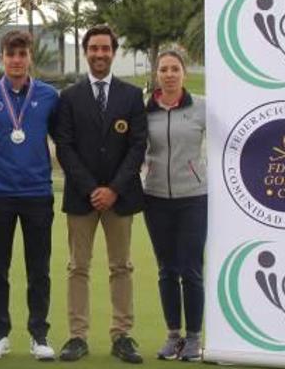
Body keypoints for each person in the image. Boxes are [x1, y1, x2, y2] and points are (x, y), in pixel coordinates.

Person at [54, 24, 147, 364]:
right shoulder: (70, 97)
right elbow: (64, 147)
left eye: (105, 48)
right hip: (82, 197)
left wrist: (113, 189)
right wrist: (93, 189)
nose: (99, 54)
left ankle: (122, 335)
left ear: (114, 51)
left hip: (120, 197)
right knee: (78, 266)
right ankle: (77, 336)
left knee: (121, 266)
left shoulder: (132, 96)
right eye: (93, 48)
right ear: (85, 51)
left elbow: (138, 147)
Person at [0, 30, 59, 361]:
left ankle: (39, 335)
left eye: (22, 54)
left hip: (38, 193)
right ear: (2, 57)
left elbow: (62, 139)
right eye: (11, 54)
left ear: (30, 57)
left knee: (39, 269)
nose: (17, 60)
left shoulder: (49, 95)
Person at [142, 51, 207, 362]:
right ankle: (173, 336)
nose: (169, 74)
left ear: (184, 72)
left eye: (175, 69)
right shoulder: (146, 110)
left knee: (191, 269)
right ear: (157, 74)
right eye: (164, 69)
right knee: (167, 270)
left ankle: (194, 337)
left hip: (193, 197)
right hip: (155, 198)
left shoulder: (200, 107)